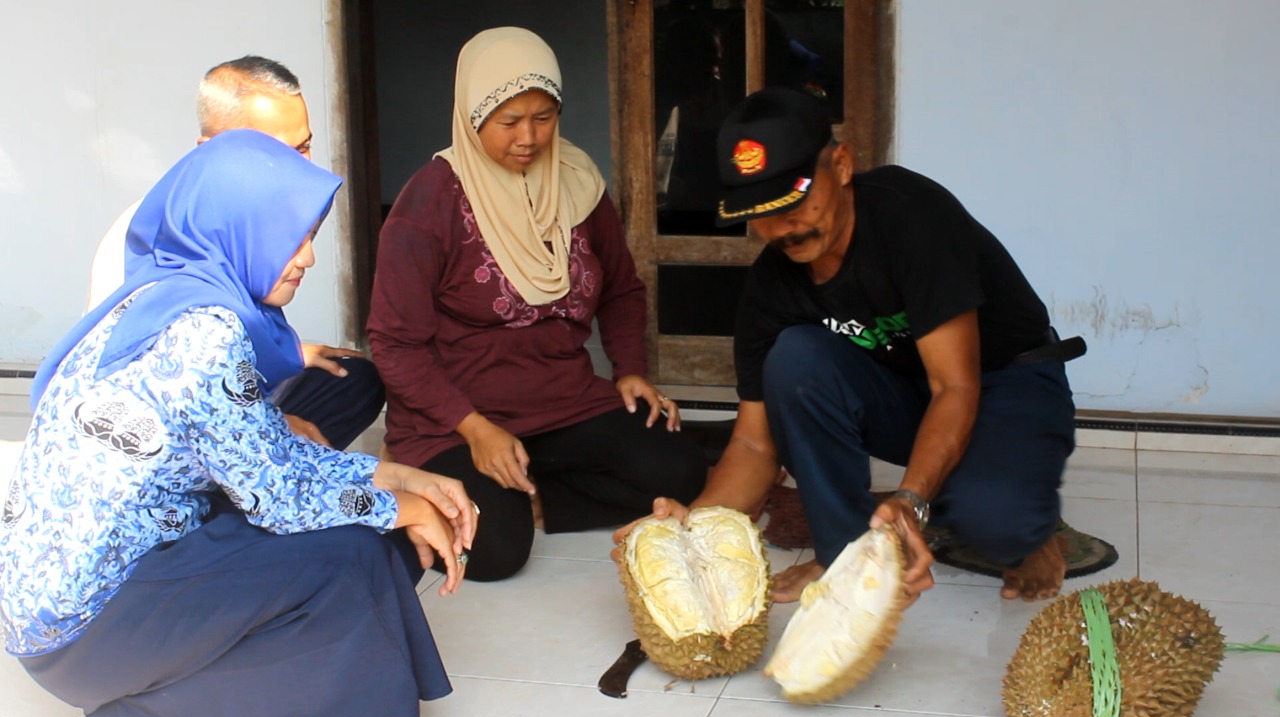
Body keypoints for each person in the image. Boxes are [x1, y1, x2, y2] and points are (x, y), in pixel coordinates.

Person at [1, 130, 478, 717]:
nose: (307, 258)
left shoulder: (160, 292)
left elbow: (265, 450)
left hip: (55, 619)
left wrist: (397, 475)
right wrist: (404, 507)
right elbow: (278, 498)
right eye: (292, 238)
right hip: (90, 632)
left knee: (351, 540)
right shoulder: (204, 334)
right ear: (237, 229)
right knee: (351, 551)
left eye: (310, 237)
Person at [617, 87, 1081, 605]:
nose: (782, 227)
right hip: (906, 394)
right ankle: (843, 551)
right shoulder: (772, 285)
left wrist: (911, 499)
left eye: (794, 201)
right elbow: (753, 443)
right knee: (795, 357)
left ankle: (1031, 523)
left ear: (840, 165)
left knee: (998, 522)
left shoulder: (913, 218)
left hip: (1004, 381)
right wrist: (690, 529)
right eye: (761, 211)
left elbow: (954, 386)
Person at [368, 27, 706, 582]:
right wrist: (475, 429)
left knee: (680, 466)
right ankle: (432, 488)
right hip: (455, 419)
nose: (528, 138)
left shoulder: (576, 183)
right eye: (508, 122)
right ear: (473, 116)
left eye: (543, 118)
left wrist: (630, 371)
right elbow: (394, 342)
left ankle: (537, 498)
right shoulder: (428, 203)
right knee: (497, 551)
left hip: (561, 402)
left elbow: (621, 287)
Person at [87, 54, 382, 451]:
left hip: (232, 402)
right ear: (210, 148)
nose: (295, 167)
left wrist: (284, 354)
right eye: (270, 149)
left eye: (304, 147)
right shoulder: (151, 235)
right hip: (164, 435)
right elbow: (143, 385)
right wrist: (270, 426)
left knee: (352, 378)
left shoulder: (266, 215)